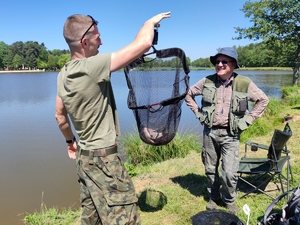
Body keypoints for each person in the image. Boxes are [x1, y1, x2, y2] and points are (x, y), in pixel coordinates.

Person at [55, 12, 170, 225]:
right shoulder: (92, 66)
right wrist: (149, 23)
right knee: (126, 219)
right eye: (98, 37)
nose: (102, 41)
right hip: (104, 161)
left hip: (84, 160)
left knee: (93, 218)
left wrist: (70, 142)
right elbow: (144, 43)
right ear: (84, 42)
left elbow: (60, 116)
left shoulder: (63, 74)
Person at [185, 47, 269, 215]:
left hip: (231, 135)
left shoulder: (244, 83)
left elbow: (263, 100)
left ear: (234, 64)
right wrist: (199, 114)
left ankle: (229, 200)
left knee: (229, 172)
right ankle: (213, 197)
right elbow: (188, 94)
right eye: (217, 62)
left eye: (224, 61)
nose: (220, 64)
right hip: (210, 133)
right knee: (210, 168)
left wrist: (247, 121)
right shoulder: (207, 81)